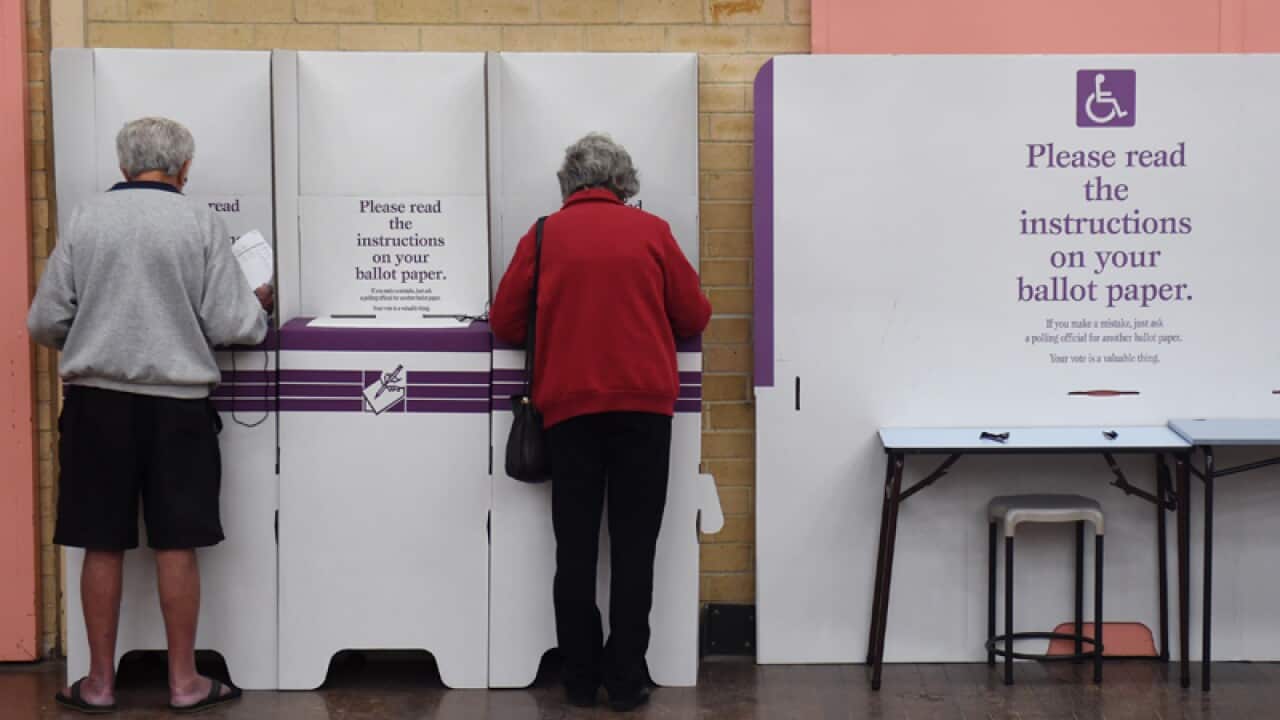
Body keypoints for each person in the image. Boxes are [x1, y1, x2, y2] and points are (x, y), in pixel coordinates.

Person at [28, 117, 272, 714]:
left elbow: (45, 320)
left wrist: (96, 337)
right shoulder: (200, 222)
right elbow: (234, 325)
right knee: (177, 544)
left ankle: (98, 684)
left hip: (96, 406)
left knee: (100, 543)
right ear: (184, 169)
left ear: (123, 165)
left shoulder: (86, 218)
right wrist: (256, 303)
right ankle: (185, 683)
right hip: (179, 410)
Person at [491, 133, 712, 712]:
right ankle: (626, 679)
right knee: (636, 548)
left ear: (569, 182)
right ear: (622, 182)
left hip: (569, 411)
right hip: (644, 411)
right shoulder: (653, 232)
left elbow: (505, 323)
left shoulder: (543, 235)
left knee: (576, 549)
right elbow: (695, 315)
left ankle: (580, 678)